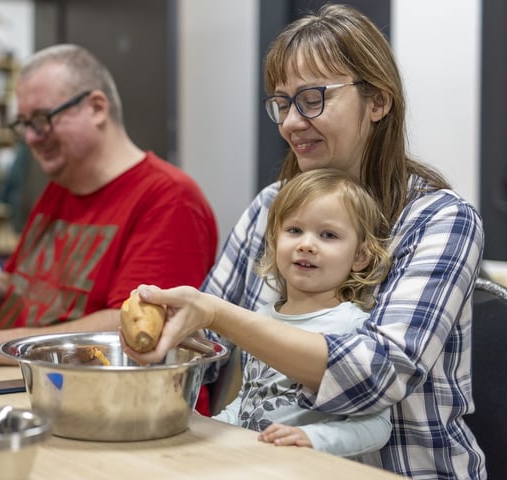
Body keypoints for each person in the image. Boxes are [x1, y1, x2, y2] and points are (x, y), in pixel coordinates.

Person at [127, 5, 486, 479]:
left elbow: (376, 376)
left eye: (313, 98)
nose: (291, 122)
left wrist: (216, 314)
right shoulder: (270, 206)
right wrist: (164, 336)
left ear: (377, 101)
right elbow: (204, 349)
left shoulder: (441, 219)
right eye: (282, 103)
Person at [0, 44, 218, 366]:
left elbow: (129, 332)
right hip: (28, 383)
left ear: (97, 108)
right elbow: (26, 285)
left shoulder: (170, 198)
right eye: (24, 123)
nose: (30, 137)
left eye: (42, 119)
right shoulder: (61, 186)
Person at [209, 168, 391, 458]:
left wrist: (312, 438)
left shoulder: (352, 325)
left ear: (359, 256)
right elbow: (248, 401)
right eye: (294, 230)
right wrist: (212, 429)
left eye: (328, 235)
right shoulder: (259, 319)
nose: (306, 244)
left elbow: (377, 426)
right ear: (274, 241)